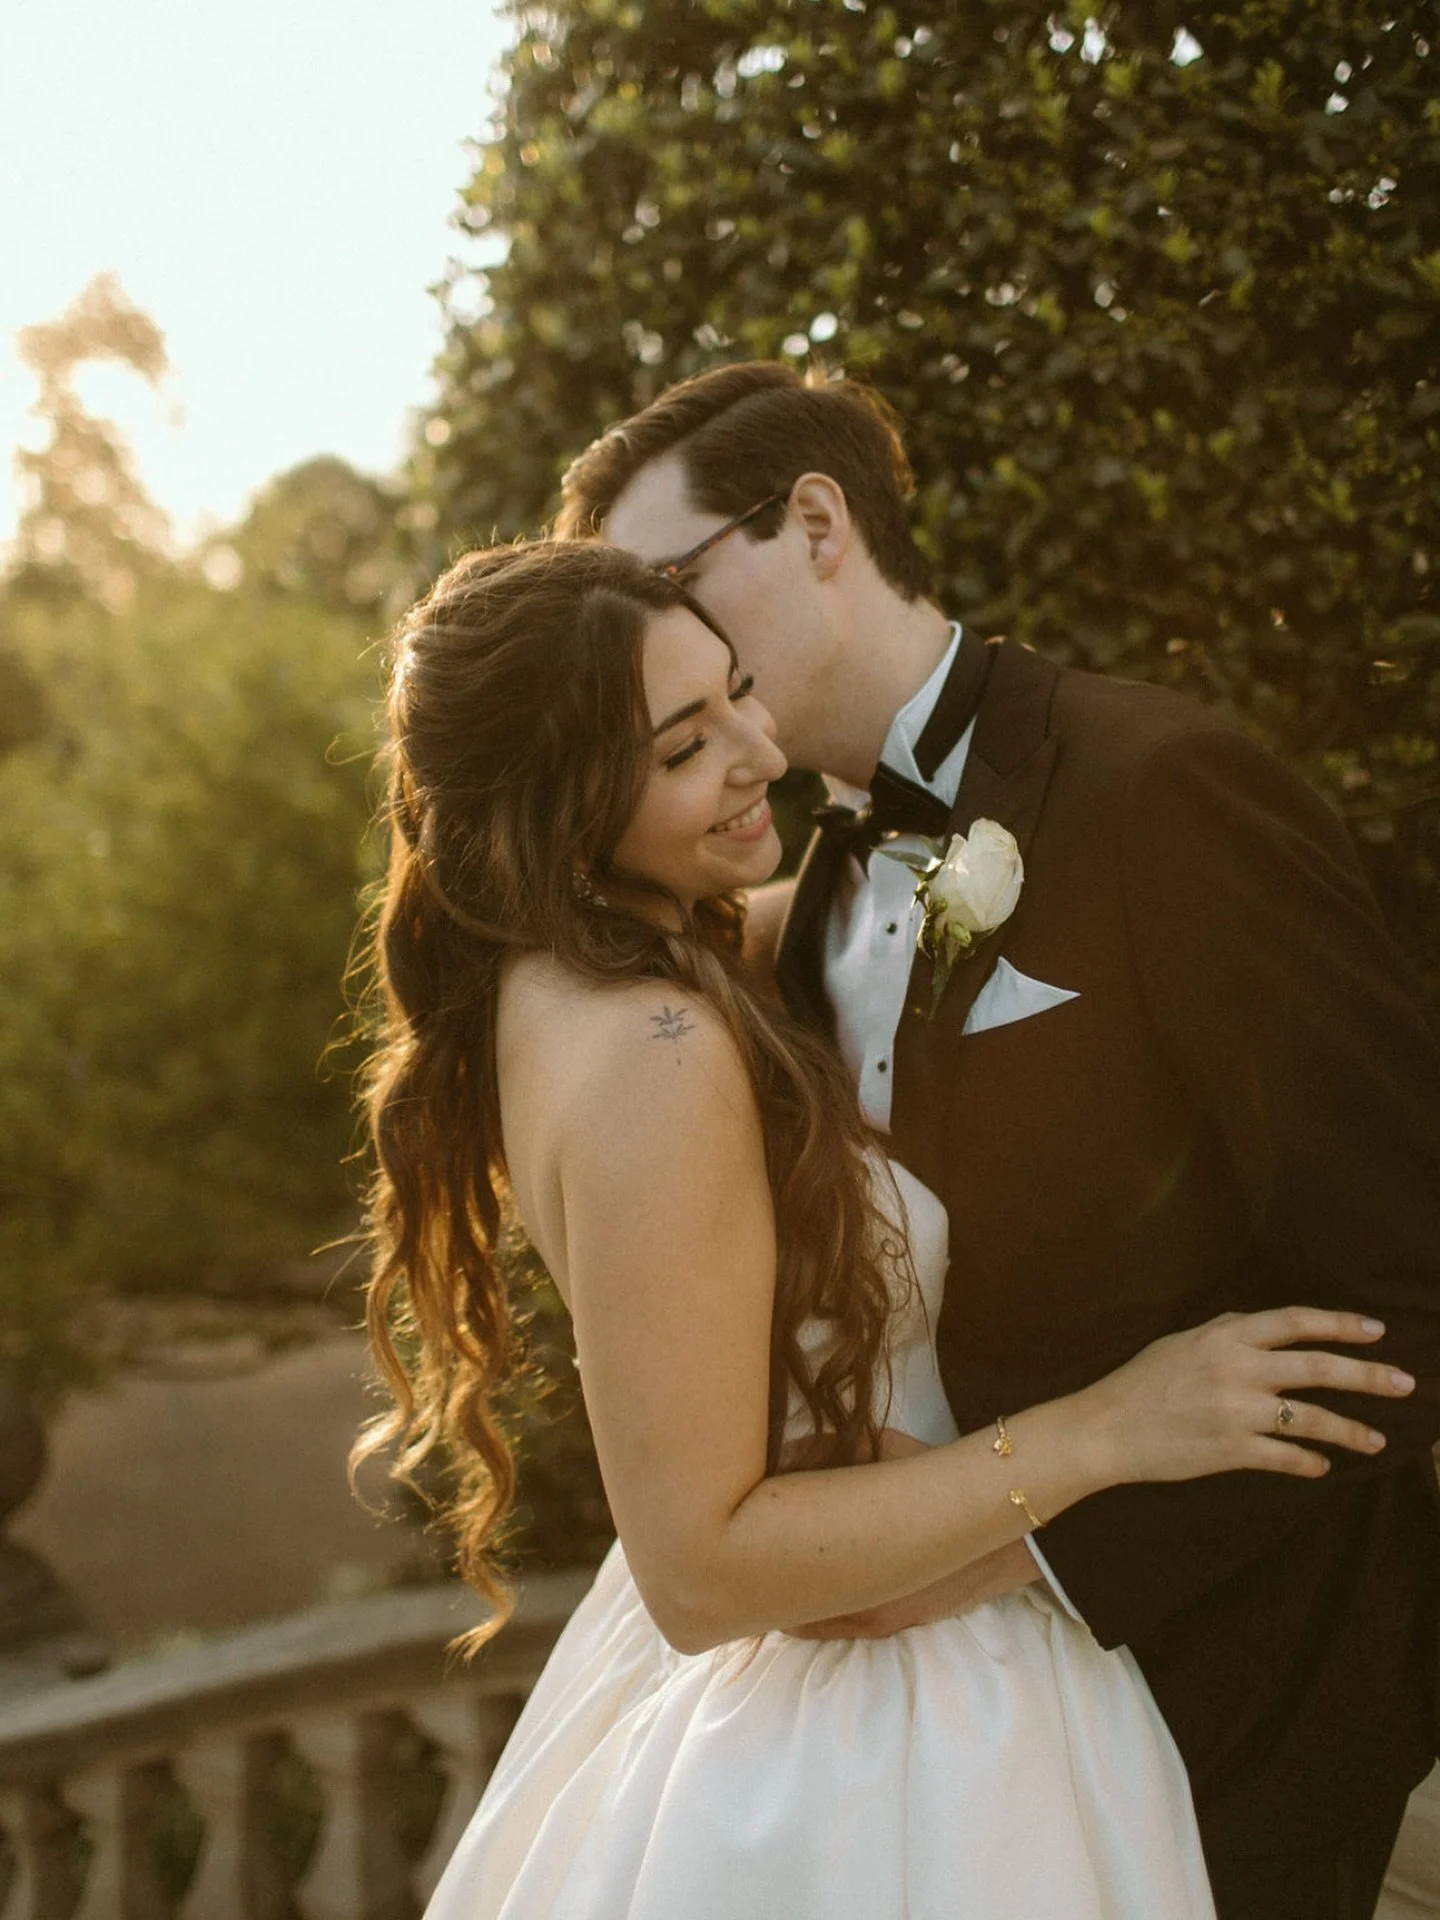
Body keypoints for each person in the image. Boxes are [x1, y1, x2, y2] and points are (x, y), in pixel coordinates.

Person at [354, 538, 1416, 1920]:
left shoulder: (630, 966)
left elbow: (894, 949)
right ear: (558, 806)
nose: (760, 747)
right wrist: (1113, 1428)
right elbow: (702, 1566)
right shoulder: (655, 1049)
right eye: (686, 746)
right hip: (875, 1727)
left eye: (737, 690)